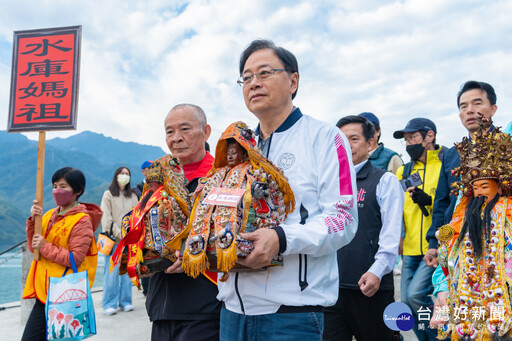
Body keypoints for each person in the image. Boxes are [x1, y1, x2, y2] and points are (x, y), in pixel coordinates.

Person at [217, 39, 358, 340]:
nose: (254, 83)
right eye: (247, 77)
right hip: (231, 310)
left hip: (291, 315)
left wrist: (281, 239)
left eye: (264, 72)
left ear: (293, 80)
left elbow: (343, 219)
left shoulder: (324, 138)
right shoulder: (238, 149)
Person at [430, 115, 512, 340]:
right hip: (468, 293)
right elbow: (449, 252)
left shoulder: (507, 209)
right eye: (475, 188)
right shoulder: (464, 212)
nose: (480, 193)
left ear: (501, 185)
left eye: (485, 186)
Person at [145, 103, 221, 341]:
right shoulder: (157, 183)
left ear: (206, 132)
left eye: (185, 129)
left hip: (205, 305)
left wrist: (191, 250)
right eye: (169, 132)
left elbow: (234, 234)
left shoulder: (222, 177)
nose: (176, 139)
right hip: (160, 306)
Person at [324, 115, 403, 341]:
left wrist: (376, 272)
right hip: (331, 289)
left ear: (370, 144)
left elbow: (390, 237)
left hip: (371, 288)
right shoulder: (327, 184)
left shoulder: (385, 181)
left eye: (354, 139)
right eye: (340, 139)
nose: (346, 145)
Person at [21, 167, 102, 341]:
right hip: (44, 292)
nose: (57, 190)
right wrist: (32, 221)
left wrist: (44, 247)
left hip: (63, 293)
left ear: (78, 190)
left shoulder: (82, 220)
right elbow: (33, 248)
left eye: (63, 186)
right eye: (55, 185)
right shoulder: (49, 214)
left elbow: (75, 258)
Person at [425, 81, 498, 270]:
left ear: (493, 109)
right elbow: (442, 201)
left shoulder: (505, 146)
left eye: (477, 103)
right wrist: (434, 243)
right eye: (463, 106)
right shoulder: (452, 154)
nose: (470, 110)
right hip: (458, 241)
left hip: (498, 241)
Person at [394, 117, 445, 340]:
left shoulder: (445, 165)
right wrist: (399, 239)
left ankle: (438, 336)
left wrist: (429, 201)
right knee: (406, 302)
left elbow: (449, 205)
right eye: (405, 140)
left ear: (429, 136)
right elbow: (399, 209)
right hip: (410, 247)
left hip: (434, 248)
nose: (408, 144)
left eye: (413, 138)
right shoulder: (403, 172)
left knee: (416, 295)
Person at [100, 167, 139, 315]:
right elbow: (106, 218)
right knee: (111, 274)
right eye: (122, 173)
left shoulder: (133, 196)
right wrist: (121, 234)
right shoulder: (108, 194)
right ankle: (109, 304)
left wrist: (131, 235)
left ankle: (125, 302)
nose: (124, 176)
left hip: (129, 242)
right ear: (116, 176)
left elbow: (136, 216)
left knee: (128, 273)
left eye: (127, 174)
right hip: (114, 242)